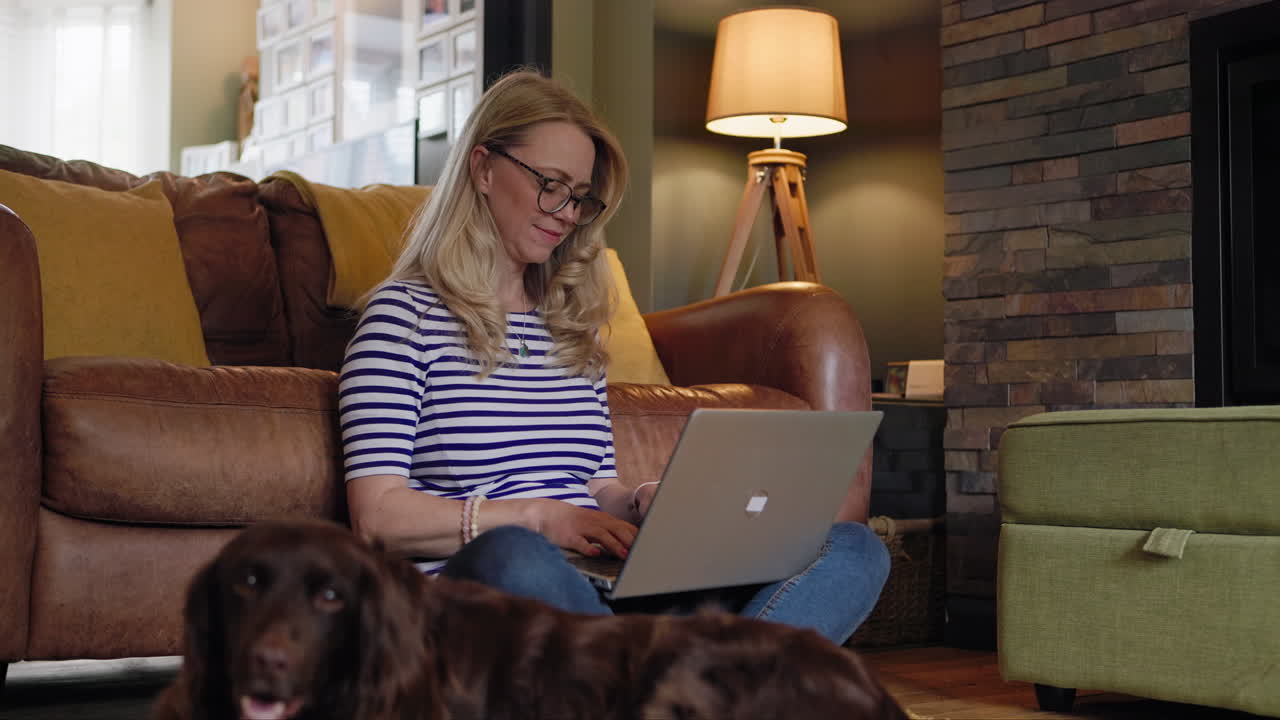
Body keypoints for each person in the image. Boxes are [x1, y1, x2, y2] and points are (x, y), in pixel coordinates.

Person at [339, 69, 889, 646]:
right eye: (550, 184)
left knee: (853, 547)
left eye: (579, 196)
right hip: (500, 589)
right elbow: (378, 517)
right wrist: (539, 519)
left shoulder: (572, 326)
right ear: (482, 168)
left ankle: (686, 685)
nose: (566, 213)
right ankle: (693, 683)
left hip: (609, 591)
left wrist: (641, 500)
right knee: (515, 555)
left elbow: (595, 482)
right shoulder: (403, 318)